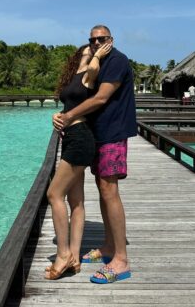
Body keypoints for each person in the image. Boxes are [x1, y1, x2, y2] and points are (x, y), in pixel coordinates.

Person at [53, 25, 137, 284]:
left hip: (112, 132)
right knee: (102, 188)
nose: (97, 42)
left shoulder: (117, 60)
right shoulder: (98, 62)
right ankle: (109, 245)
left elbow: (101, 98)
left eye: (102, 39)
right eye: (92, 40)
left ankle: (121, 260)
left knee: (110, 190)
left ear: (111, 39)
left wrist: (68, 116)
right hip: (97, 132)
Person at [45, 41, 112, 280]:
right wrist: (57, 115)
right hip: (71, 136)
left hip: (81, 138)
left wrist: (97, 56)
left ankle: (62, 254)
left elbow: (93, 69)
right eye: (84, 54)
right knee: (76, 201)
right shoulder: (75, 77)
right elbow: (69, 104)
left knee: (54, 194)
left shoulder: (90, 76)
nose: (87, 57)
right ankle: (74, 258)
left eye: (91, 53)